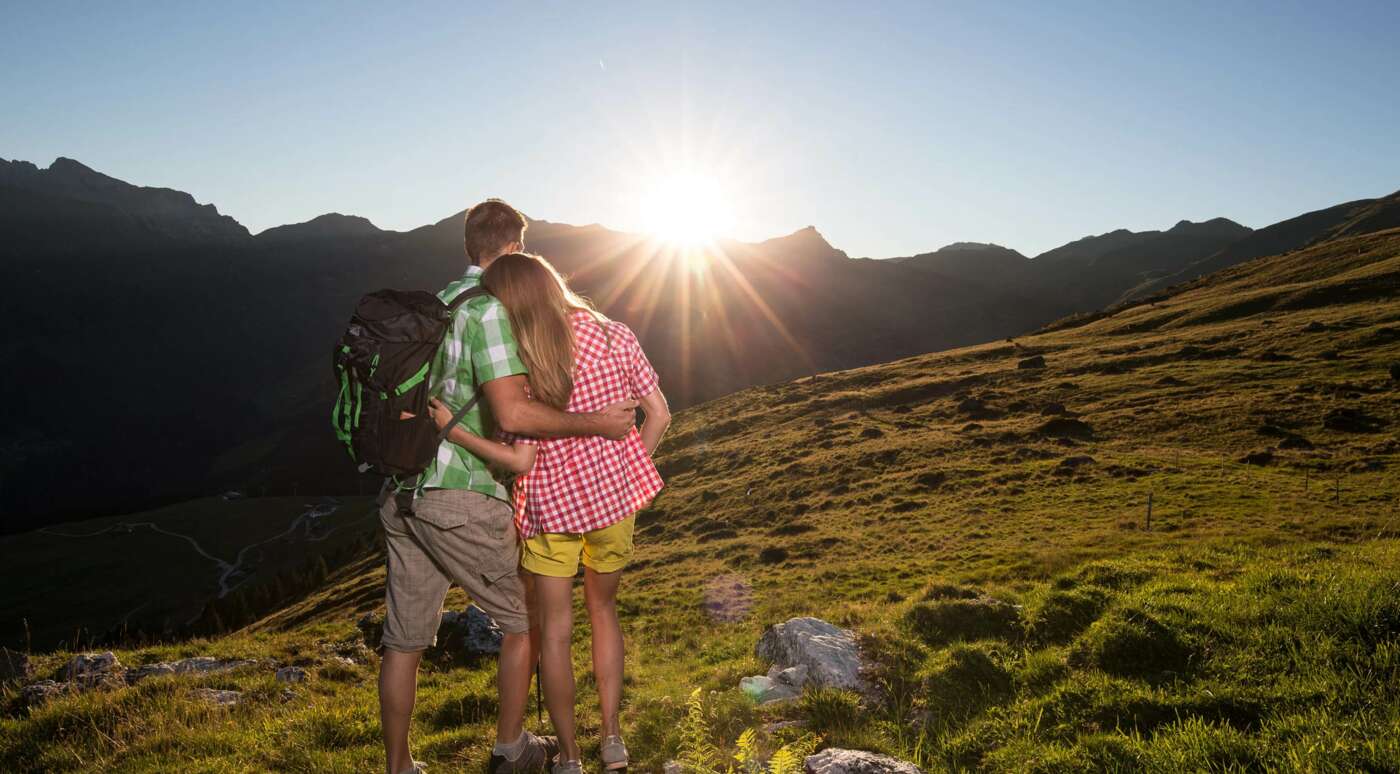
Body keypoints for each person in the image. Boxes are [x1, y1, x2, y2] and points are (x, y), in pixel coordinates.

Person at [377, 200, 639, 774]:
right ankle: (511, 748)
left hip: (404, 491)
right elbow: (515, 415)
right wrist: (599, 424)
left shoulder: (436, 304)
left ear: (469, 246)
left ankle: (399, 767)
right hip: (462, 493)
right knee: (524, 622)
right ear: (518, 246)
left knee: (404, 639)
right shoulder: (493, 311)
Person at [428, 252, 670, 774]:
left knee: (554, 632)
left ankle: (571, 758)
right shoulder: (614, 334)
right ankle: (612, 740)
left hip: (549, 505)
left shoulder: (520, 351)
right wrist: (626, 471)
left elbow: (515, 428)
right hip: (612, 502)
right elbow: (660, 413)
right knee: (604, 612)